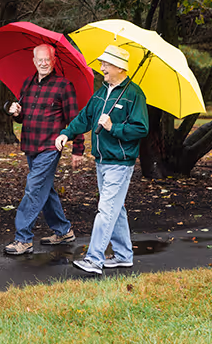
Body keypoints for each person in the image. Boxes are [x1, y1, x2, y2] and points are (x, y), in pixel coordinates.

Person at [55, 44, 148, 274]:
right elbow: (84, 117)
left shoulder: (134, 94)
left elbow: (141, 128)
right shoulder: (101, 92)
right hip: (102, 160)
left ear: (118, 66)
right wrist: (67, 133)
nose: (102, 67)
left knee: (106, 209)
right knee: (116, 209)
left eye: (106, 64)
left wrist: (113, 127)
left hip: (120, 161)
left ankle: (94, 259)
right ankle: (124, 256)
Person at [4, 43, 85, 255]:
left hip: (51, 146)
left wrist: (78, 148)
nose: (43, 63)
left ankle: (23, 239)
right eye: (39, 59)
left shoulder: (63, 86)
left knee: (33, 188)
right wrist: (15, 112)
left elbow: (75, 120)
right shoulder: (28, 84)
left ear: (54, 60)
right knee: (45, 190)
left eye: (47, 59)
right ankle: (63, 230)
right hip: (30, 144)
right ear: (33, 61)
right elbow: (23, 117)